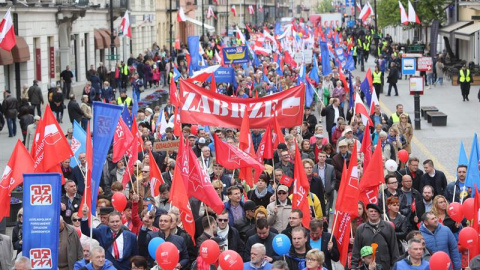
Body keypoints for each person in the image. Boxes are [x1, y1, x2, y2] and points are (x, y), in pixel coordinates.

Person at [80, 205, 139, 270]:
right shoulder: (102, 231)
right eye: (112, 222)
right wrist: (85, 215)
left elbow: (135, 257)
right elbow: (86, 231)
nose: (115, 224)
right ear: (108, 223)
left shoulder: (131, 237)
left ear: (121, 221)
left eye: (117, 221)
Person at [351, 204, 399, 270]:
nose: (373, 213)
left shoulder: (388, 227)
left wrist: (396, 265)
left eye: (375, 211)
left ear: (379, 213)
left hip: (385, 265)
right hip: (367, 266)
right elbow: (356, 249)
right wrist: (353, 266)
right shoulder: (361, 229)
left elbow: (394, 248)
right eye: (371, 211)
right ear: (367, 213)